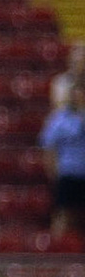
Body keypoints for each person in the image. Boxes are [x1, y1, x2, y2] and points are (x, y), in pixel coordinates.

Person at [40, 81, 85, 239]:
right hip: (68, 173)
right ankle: (57, 249)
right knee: (64, 214)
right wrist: (54, 174)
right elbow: (49, 147)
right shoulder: (60, 119)